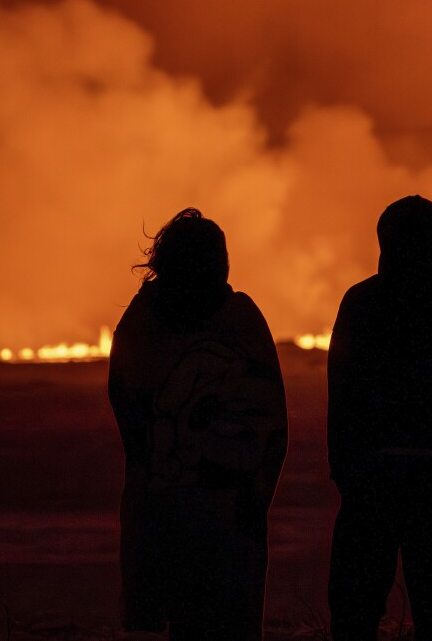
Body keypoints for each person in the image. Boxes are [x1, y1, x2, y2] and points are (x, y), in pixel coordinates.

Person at [108, 208, 288, 641]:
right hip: (225, 519)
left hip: (162, 513)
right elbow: (272, 425)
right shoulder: (241, 320)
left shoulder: (140, 323)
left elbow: (130, 419)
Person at [326, 195, 432, 641]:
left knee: (355, 610)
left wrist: (347, 471)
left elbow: (340, 393)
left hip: (372, 474)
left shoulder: (362, 302)